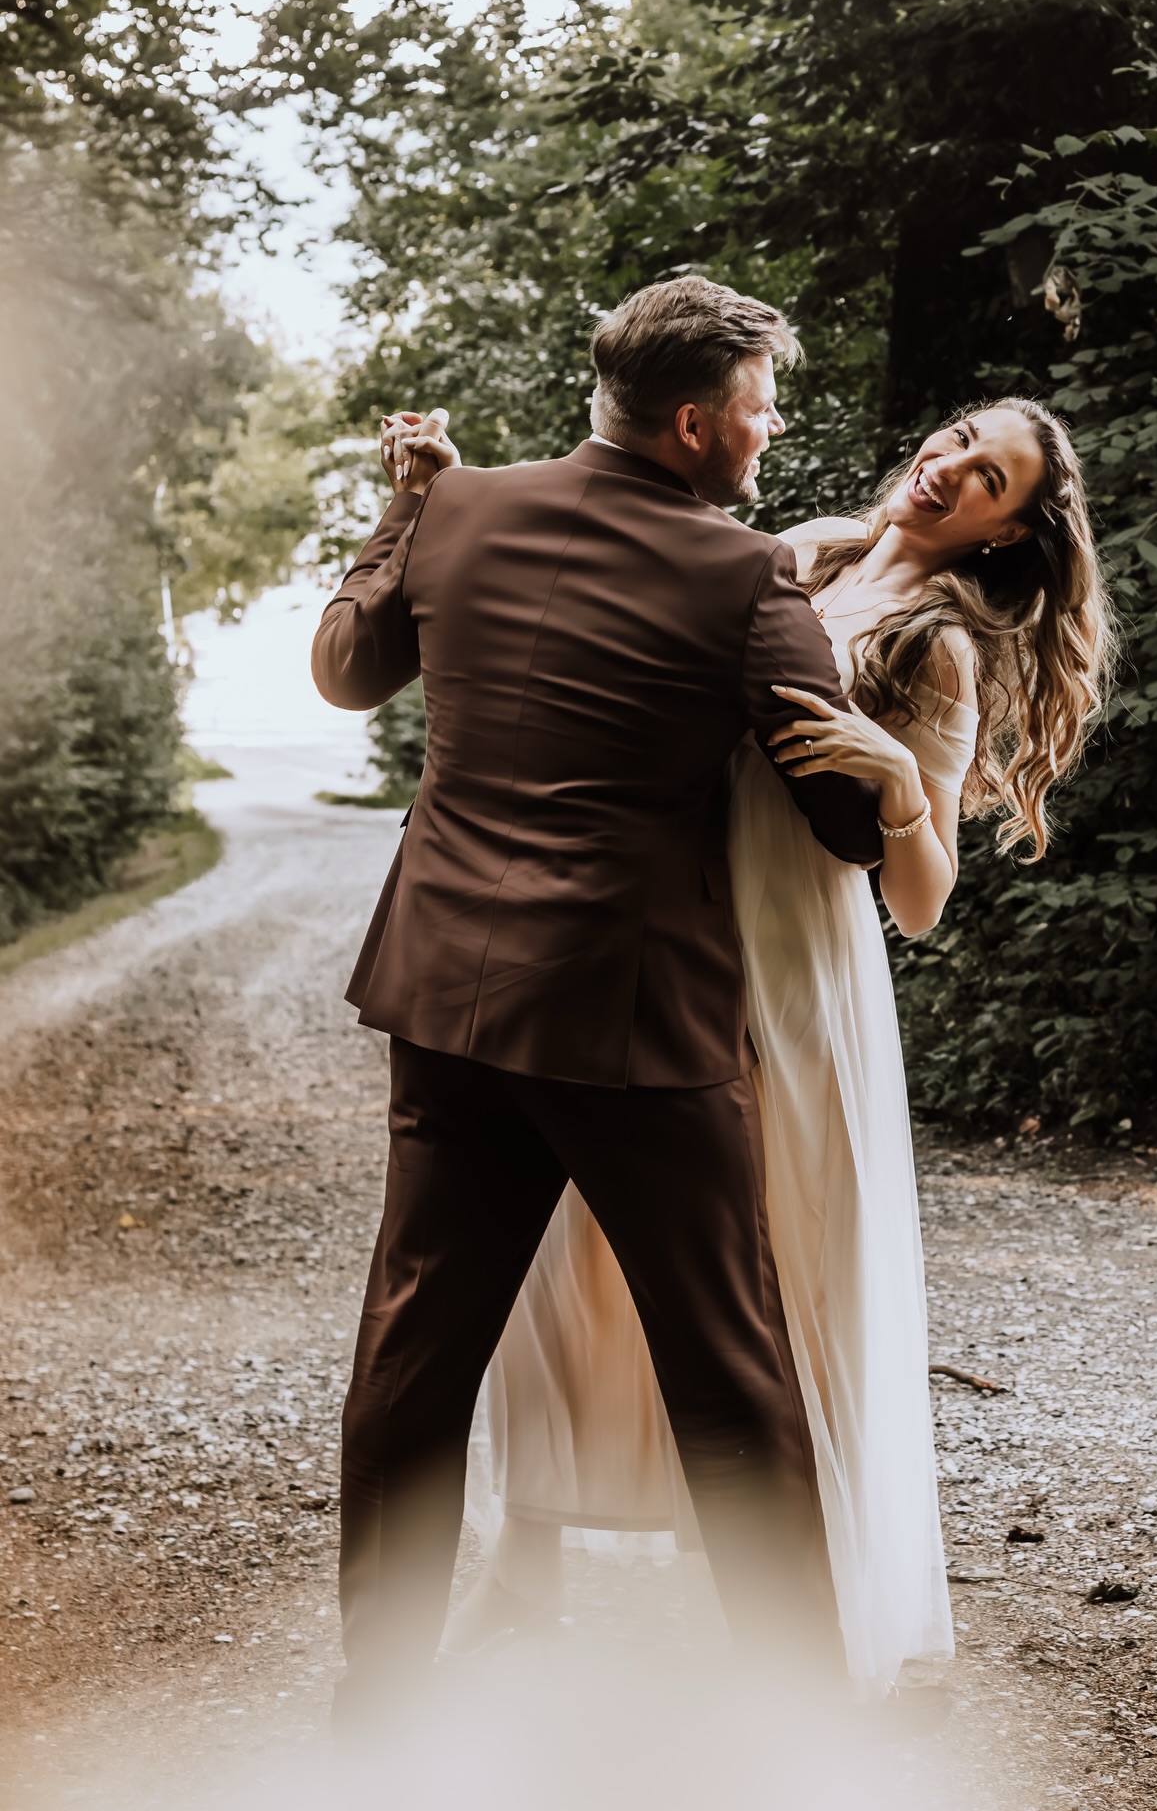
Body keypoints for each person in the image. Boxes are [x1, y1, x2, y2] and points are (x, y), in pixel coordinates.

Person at [401, 392, 1114, 1694]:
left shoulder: (941, 646)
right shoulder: (809, 550)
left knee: (785, 1283)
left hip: (792, 973)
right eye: (955, 437)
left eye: (990, 475)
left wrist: (894, 781)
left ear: (1008, 533)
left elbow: (921, 896)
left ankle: (813, 1626)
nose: (948, 463)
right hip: (660, 941)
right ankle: (525, 1569)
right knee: (566, 1258)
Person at [312, 277, 892, 1732]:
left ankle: (374, 1706)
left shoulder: (462, 510)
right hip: (631, 1026)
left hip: (447, 996)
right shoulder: (742, 574)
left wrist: (405, 512)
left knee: (415, 1354)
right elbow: (840, 821)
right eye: (762, 406)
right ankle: (801, 1724)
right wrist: (891, 770)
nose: (772, 430)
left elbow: (345, 670)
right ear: (696, 425)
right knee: (730, 1372)